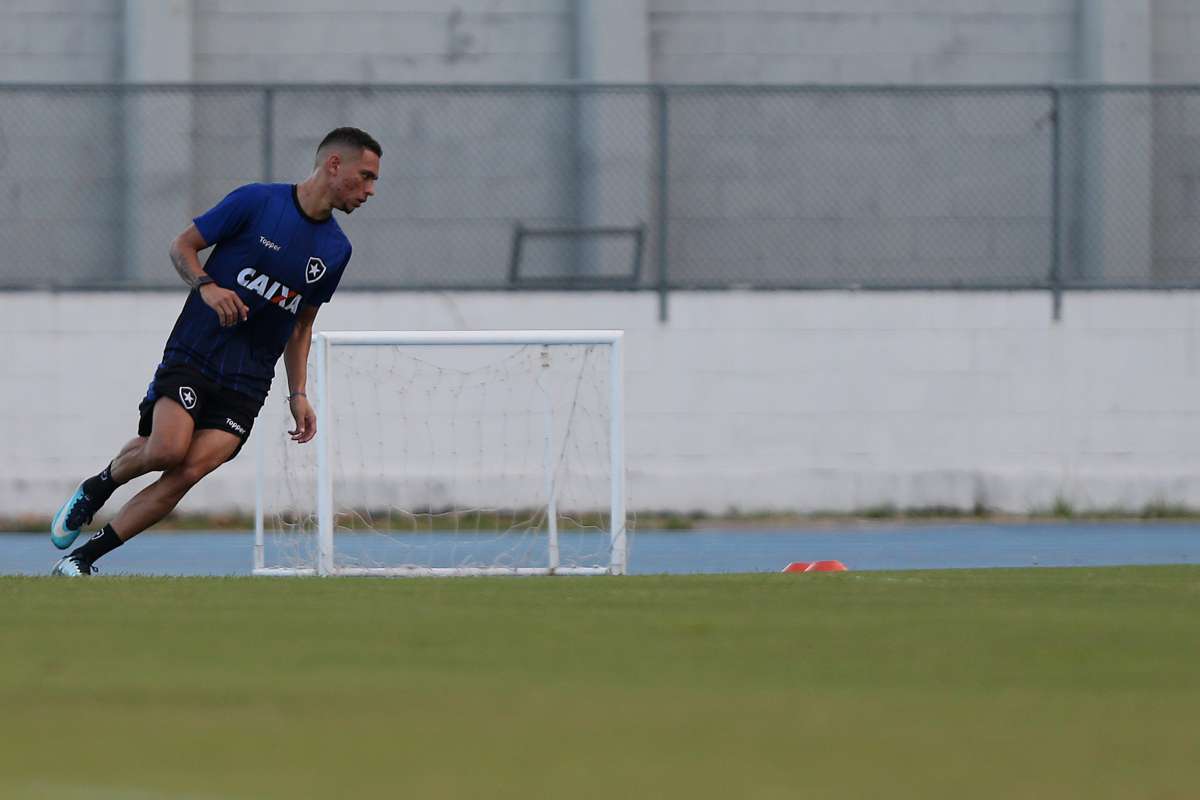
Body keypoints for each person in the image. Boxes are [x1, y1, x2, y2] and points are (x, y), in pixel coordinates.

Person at [49, 127, 381, 575]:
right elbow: (182, 247)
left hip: (248, 381)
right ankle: (97, 486)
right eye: (365, 177)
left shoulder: (338, 250)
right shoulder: (257, 202)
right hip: (196, 352)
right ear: (334, 165)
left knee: (189, 471)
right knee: (167, 449)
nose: (370, 191)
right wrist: (207, 286)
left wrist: (297, 393)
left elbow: (302, 324)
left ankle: (81, 560)